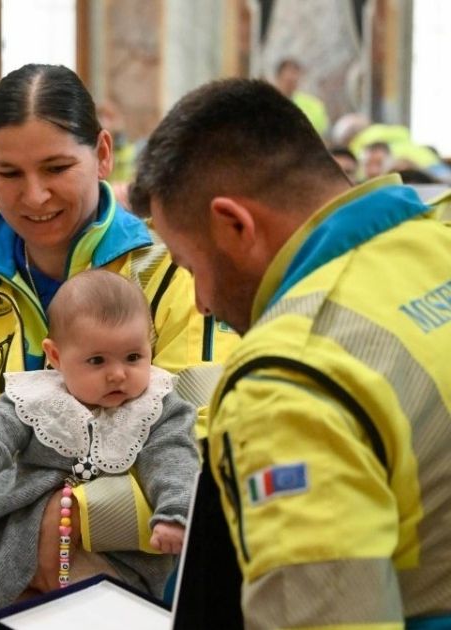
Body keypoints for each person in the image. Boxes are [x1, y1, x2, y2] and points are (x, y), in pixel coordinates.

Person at [0, 63, 237, 596]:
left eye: (55, 168)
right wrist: (9, 565)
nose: (34, 196)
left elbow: (206, 446)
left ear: (101, 154)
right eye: (9, 173)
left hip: (152, 592)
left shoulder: (178, 277)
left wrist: (76, 525)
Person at [130, 77, 451, 628]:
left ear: (235, 224)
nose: (202, 303)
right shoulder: (435, 244)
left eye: (189, 267)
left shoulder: (289, 379)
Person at [0, 270, 198, 630]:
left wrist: (175, 511)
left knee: (101, 612)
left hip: (108, 556)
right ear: (56, 356)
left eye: (134, 356)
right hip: (13, 540)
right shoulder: (35, 398)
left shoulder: (157, 405)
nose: (118, 374)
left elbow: (174, 459)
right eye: (97, 361)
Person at [272, 58, 329, 139]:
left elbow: (324, 133)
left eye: (295, 75)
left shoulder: (314, 105)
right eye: (288, 79)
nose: (292, 79)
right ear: (278, 78)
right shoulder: (265, 103)